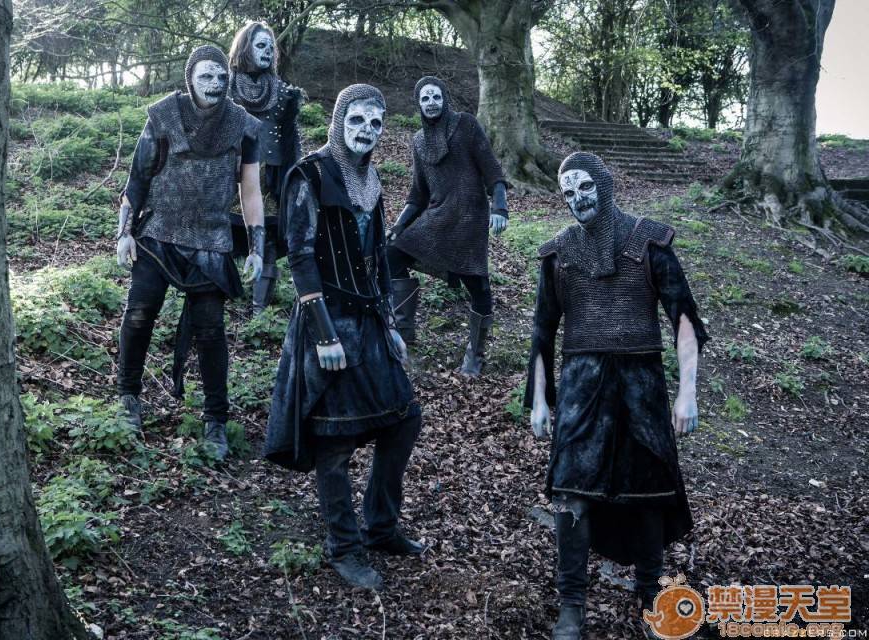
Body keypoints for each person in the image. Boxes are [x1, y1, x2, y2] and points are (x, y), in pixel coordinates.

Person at [524, 152, 710, 639]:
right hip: (582, 388)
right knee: (571, 493)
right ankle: (571, 605)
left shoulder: (648, 242)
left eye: (584, 187)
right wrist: (540, 399)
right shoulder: (559, 254)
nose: (577, 199)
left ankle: (650, 597)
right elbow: (543, 331)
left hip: (640, 386)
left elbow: (684, 321)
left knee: (648, 494)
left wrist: (687, 393)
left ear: (603, 186)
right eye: (567, 192)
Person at [264, 84, 424, 592]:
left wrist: (391, 325)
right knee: (334, 440)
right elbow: (299, 255)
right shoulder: (310, 174)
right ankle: (344, 546)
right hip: (327, 323)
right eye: (357, 120)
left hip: (369, 321)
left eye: (375, 123)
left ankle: (380, 526)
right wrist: (324, 335)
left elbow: (376, 259)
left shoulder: (370, 179)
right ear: (339, 122)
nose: (366, 131)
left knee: (404, 419)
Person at [115, 44, 264, 461]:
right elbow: (137, 178)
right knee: (139, 313)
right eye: (205, 76)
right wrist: (125, 232)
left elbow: (250, 192)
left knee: (211, 330)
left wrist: (257, 246)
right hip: (158, 233)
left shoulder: (242, 125)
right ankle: (128, 396)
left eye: (220, 76)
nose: (214, 83)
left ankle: (216, 419)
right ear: (190, 79)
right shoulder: (164, 116)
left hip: (211, 240)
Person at [388, 76, 510, 376]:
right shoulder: (418, 140)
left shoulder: (465, 124)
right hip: (436, 217)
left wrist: (500, 207)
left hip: (469, 217)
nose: (431, 103)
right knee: (390, 255)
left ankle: (475, 354)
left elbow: (492, 170)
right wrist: (398, 226)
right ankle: (404, 336)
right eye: (425, 98)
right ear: (418, 103)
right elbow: (417, 194)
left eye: (435, 97)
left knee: (477, 284)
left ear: (445, 98)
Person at [227, 21, 304, 312]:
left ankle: (259, 310)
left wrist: (293, 179)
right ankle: (220, 293)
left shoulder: (283, 92)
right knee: (224, 231)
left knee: (268, 235)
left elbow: (291, 141)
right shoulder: (225, 85)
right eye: (261, 45)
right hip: (231, 173)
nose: (268, 51)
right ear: (245, 48)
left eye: (271, 47)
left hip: (270, 176)